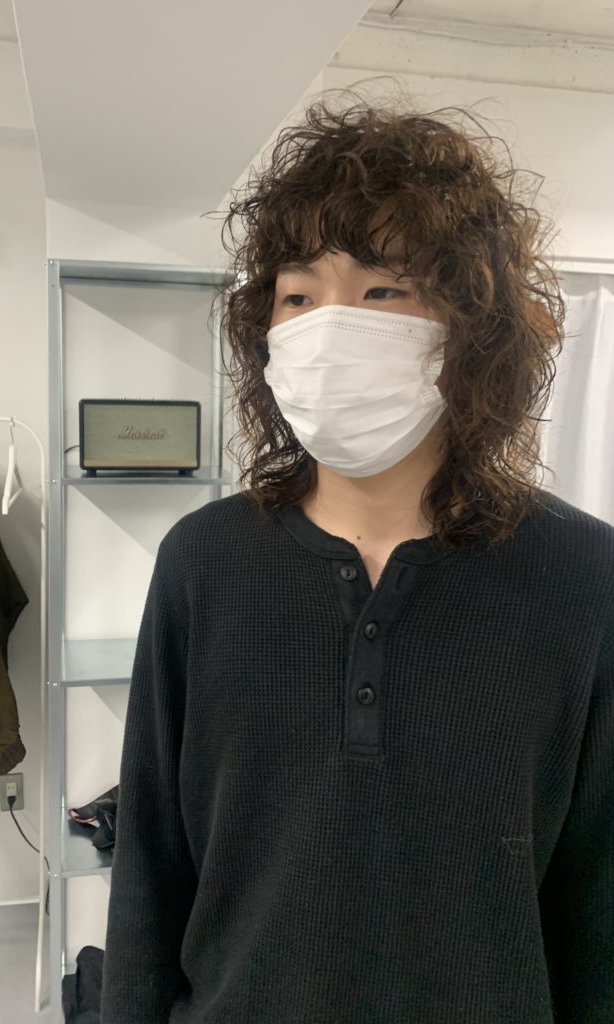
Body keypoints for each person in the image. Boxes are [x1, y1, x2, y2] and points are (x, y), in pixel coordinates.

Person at [99, 85, 614, 1024]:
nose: (328, 327)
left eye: (384, 290)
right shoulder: (203, 563)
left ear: (473, 325)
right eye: (297, 296)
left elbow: (597, 895)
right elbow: (150, 863)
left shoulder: (585, 577)